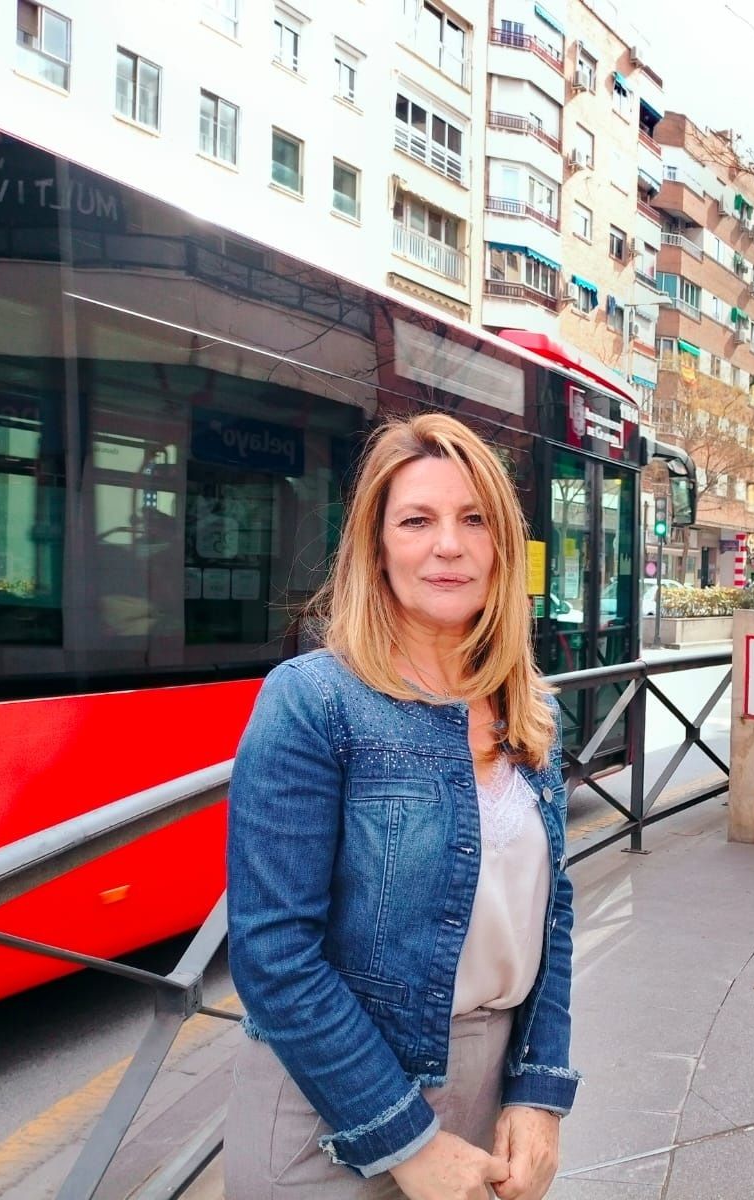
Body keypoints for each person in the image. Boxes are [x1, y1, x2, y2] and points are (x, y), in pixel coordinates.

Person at [225, 414, 577, 1200]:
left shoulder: (530, 711)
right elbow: (272, 953)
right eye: (417, 520)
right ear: (378, 548)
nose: (448, 545)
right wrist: (406, 1140)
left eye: (473, 519)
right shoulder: (315, 702)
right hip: (327, 1110)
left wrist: (540, 1089)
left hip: (489, 1094)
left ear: (502, 547)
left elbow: (553, 918)